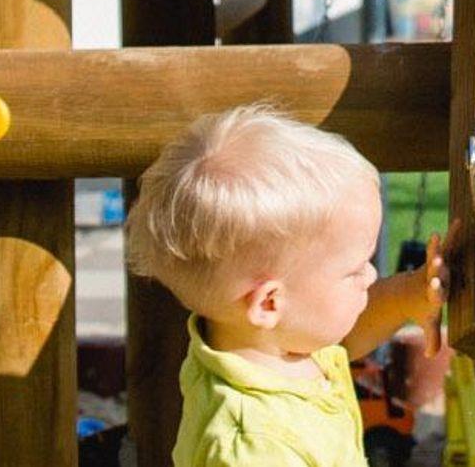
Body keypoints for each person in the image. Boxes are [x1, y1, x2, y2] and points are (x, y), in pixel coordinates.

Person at [125, 104, 453, 467]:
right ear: (269, 303)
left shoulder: (272, 341)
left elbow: (344, 335)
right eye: (354, 271)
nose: (371, 276)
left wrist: (409, 294)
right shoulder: (253, 446)